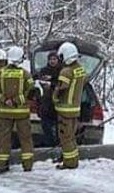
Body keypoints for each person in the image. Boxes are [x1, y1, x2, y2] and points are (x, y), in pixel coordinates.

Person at [0, 46, 34, 172]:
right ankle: (27, 165)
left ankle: (2, 165)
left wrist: (5, 100)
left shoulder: (0, 73)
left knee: (4, 139)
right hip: (22, 113)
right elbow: (31, 92)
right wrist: (17, 100)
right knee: (25, 139)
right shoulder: (25, 74)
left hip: (5, 113)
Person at [53, 41, 87, 170]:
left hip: (64, 109)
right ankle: (73, 159)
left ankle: (69, 163)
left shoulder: (66, 71)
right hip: (75, 109)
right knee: (71, 137)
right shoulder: (80, 69)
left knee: (65, 137)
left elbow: (62, 88)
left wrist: (54, 95)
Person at [36, 51, 62, 147]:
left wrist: (52, 81)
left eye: (54, 59)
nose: (52, 61)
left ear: (58, 60)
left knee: (59, 127)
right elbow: (39, 82)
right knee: (46, 125)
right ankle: (48, 144)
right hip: (46, 103)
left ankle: (58, 144)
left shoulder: (62, 71)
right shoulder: (43, 70)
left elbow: (62, 84)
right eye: (50, 59)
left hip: (58, 104)